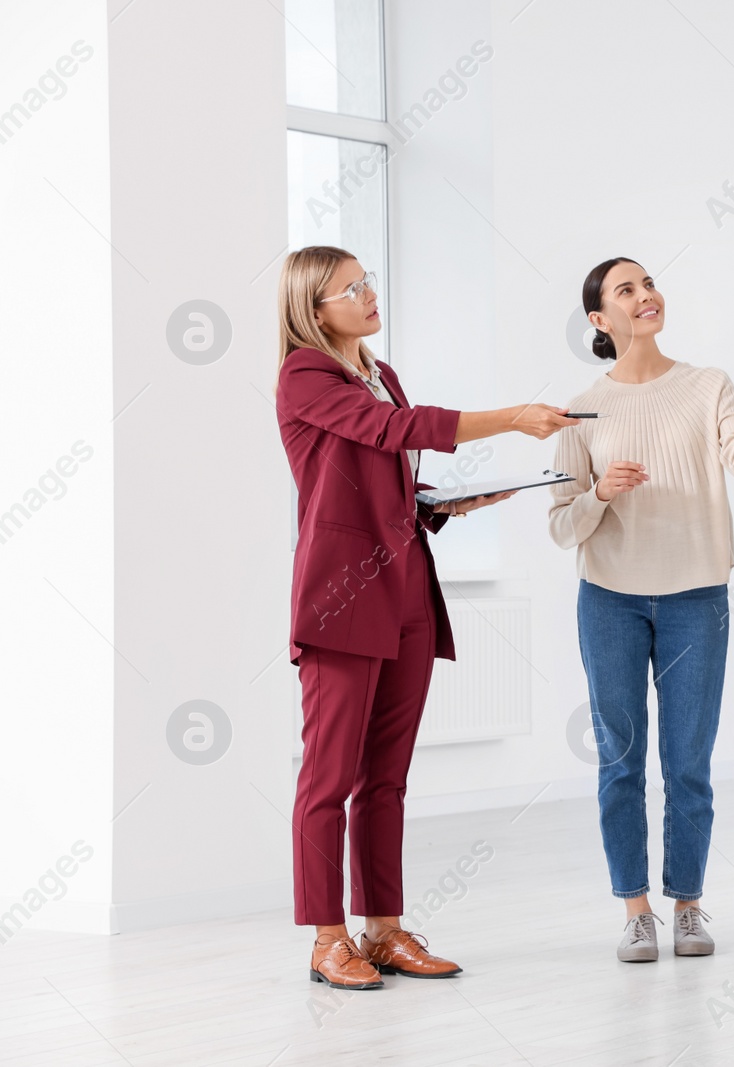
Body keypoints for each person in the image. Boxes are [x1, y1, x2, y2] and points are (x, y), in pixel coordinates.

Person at [275, 245, 578, 990]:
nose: (370, 294)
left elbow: (384, 478)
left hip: (407, 588)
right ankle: (326, 939)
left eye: (369, 280)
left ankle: (383, 929)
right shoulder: (305, 375)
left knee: (388, 776)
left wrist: (443, 504)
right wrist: (511, 418)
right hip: (343, 599)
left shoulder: (381, 373)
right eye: (353, 288)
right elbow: (390, 434)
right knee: (329, 778)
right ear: (316, 310)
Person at [549, 256, 734, 962]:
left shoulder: (706, 386)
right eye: (626, 290)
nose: (646, 296)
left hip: (697, 597)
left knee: (688, 761)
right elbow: (560, 525)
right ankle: (635, 909)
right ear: (600, 320)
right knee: (621, 759)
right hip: (609, 601)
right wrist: (601, 492)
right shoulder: (581, 409)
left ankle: (688, 903)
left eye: (649, 283)